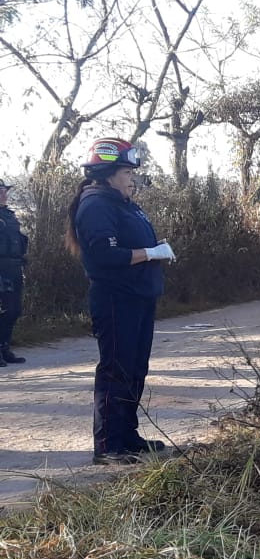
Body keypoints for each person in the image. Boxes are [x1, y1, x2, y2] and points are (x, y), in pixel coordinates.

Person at [65, 137, 177, 465]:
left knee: (135, 369)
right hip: (116, 299)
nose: (132, 178)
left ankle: (127, 435)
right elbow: (105, 254)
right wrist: (150, 253)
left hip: (139, 297)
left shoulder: (123, 202)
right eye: (127, 172)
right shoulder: (96, 204)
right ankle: (108, 445)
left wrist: (154, 251)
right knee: (116, 369)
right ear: (109, 173)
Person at [0, 179, 28, 366]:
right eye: (0, 191)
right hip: (1, 268)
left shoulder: (9, 216)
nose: (4, 194)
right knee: (4, 309)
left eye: (4, 191)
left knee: (14, 310)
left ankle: (5, 348)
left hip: (14, 267)